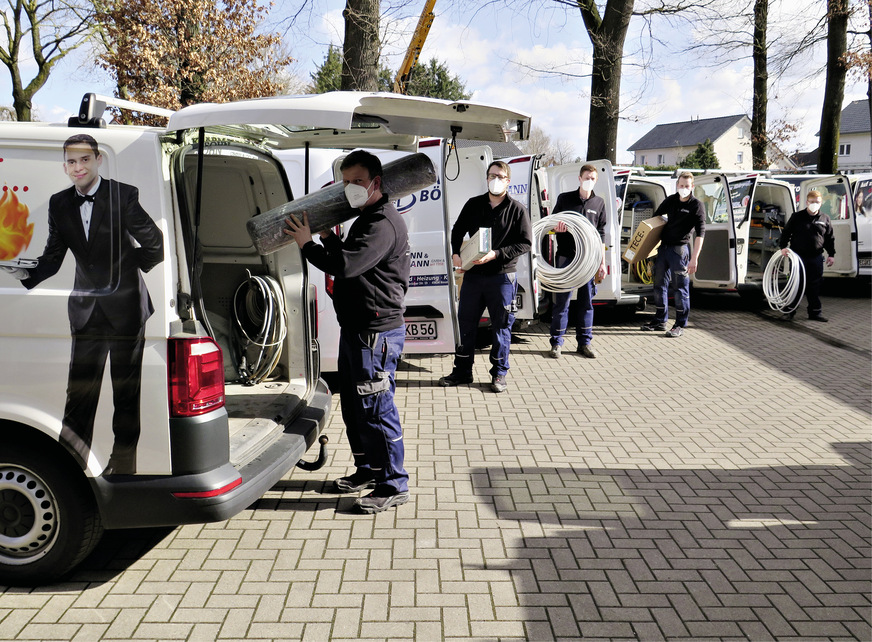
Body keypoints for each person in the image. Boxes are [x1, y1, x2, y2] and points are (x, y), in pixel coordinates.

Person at [1, 133, 164, 475]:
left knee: (125, 392)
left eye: (85, 160)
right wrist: (23, 274)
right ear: (65, 167)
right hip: (85, 311)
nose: (78, 167)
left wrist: (125, 264)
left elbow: (155, 245)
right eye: (72, 162)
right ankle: (71, 469)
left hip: (126, 309)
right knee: (79, 397)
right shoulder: (60, 204)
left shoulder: (123, 195)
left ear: (98, 160)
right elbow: (54, 258)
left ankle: (124, 466)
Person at [283, 150, 411, 514]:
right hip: (357, 330)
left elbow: (346, 265)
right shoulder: (366, 218)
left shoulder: (381, 222)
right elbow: (355, 257)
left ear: (376, 183)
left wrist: (308, 243)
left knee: (376, 409)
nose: (350, 188)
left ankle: (393, 484)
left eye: (357, 181)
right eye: (346, 182)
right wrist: (327, 236)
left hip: (376, 335)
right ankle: (368, 470)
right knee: (356, 409)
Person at [438, 161, 532, 392]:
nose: (495, 179)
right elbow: (457, 230)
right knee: (466, 324)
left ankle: (499, 374)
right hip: (473, 276)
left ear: (508, 181)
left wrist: (496, 254)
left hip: (502, 277)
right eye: (492, 175)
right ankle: (462, 371)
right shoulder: (474, 204)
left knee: (501, 326)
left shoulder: (517, 209)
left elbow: (525, 243)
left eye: (500, 176)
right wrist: (456, 253)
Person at [547, 164, 607, 359]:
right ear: (579, 179)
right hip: (566, 256)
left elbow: (601, 235)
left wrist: (600, 262)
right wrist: (557, 229)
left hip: (588, 260)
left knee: (586, 303)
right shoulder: (565, 199)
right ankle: (556, 343)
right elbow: (550, 226)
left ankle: (585, 343)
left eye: (593, 178)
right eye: (587, 177)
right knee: (562, 302)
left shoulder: (599, 203)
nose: (589, 180)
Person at [640, 171, 706, 338]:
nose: (683, 188)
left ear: (692, 187)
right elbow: (656, 219)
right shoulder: (670, 200)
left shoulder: (696, 206)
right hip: (663, 249)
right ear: (677, 185)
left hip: (680, 251)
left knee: (680, 289)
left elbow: (700, 234)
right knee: (659, 285)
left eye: (687, 186)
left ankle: (679, 324)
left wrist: (694, 258)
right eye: (681, 185)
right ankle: (660, 321)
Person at [778, 189, 835, 322]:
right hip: (798, 256)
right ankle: (789, 312)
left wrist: (831, 254)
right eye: (812, 202)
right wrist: (783, 247)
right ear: (806, 202)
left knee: (814, 285)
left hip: (815, 257)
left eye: (817, 202)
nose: (814, 204)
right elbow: (786, 233)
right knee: (796, 284)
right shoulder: (797, 217)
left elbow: (829, 238)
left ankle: (815, 312)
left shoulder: (825, 218)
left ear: (821, 203)